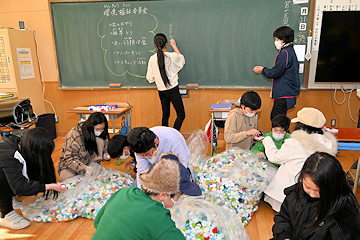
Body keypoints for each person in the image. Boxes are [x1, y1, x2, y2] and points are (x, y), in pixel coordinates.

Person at [262, 107, 338, 212]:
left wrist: (267, 141)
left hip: (289, 192)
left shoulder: (295, 143)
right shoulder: (327, 143)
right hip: (315, 192)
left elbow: (274, 157)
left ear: (301, 125)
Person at [92, 157, 186, 239]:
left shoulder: (124, 192)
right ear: (163, 195)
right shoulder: (158, 216)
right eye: (178, 197)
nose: (177, 201)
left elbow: (97, 222)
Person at [272, 152, 360, 240]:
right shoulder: (295, 194)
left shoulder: (344, 214)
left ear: (333, 186)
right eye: (307, 186)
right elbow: (283, 218)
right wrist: (284, 236)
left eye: (319, 190)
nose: (312, 194)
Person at [0, 128, 66, 230]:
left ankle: (10, 199)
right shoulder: (10, 156)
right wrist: (49, 186)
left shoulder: (21, 145)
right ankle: (5, 213)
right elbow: (20, 188)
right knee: (4, 175)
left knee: (12, 175)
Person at [253, 26, 300, 120]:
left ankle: (283, 135)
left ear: (283, 40)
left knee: (277, 120)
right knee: (279, 119)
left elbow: (275, 72)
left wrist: (262, 70)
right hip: (287, 92)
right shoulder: (290, 51)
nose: (276, 42)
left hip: (284, 93)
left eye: (276, 39)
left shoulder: (285, 53)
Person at [146, 33, 186, 131]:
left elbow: (150, 78)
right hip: (173, 90)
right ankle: (174, 135)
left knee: (166, 115)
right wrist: (174, 46)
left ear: (155, 45)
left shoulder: (152, 59)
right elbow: (181, 59)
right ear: (166, 44)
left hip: (161, 91)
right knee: (181, 114)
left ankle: (164, 137)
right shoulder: (171, 56)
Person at [58, 112, 111, 181]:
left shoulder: (102, 133)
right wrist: (85, 168)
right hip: (70, 165)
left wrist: (105, 156)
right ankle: (87, 172)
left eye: (102, 129)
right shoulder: (75, 134)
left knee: (100, 140)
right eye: (97, 129)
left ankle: (92, 169)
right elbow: (69, 159)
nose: (100, 131)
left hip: (89, 163)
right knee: (67, 179)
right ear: (90, 126)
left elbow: (105, 151)